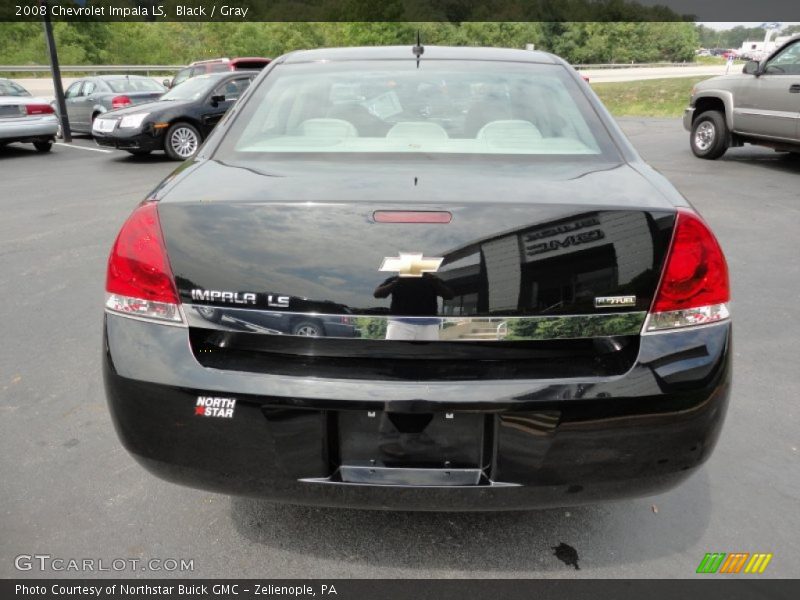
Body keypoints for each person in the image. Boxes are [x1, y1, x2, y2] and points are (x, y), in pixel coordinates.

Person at [373, 273, 454, 340]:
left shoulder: (431, 279)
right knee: (394, 353)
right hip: (400, 324)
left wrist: (435, 282)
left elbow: (449, 295)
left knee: (429, 355)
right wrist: (396, 282)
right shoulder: (397, 279)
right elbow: (377, 294)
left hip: (429, 325)